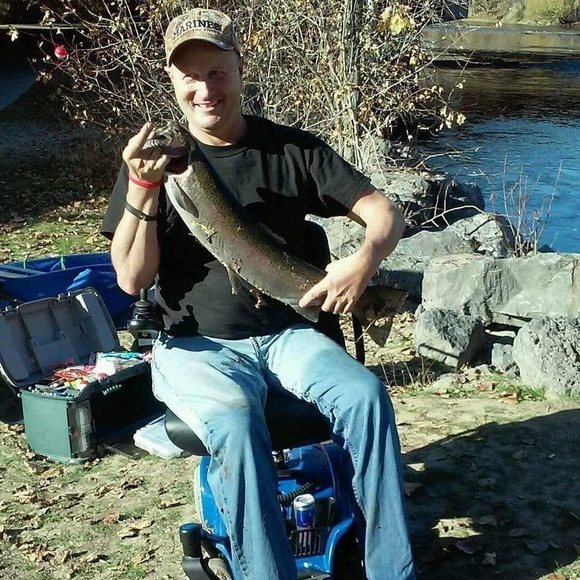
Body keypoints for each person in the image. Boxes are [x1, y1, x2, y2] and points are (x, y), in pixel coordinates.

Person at [101, 7, 415, 580]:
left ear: (240, 70)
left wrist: (363, 263)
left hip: (290, 332)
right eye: (190, 77)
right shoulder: (151, 165)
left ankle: (393, 571)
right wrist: (143, 189)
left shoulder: (292, 150)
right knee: (237, 423)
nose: (205, 89)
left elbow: (384, 214)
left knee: (367, 397)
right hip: (195, 345)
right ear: (172, 81)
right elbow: (131, 280)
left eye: (217, 72)